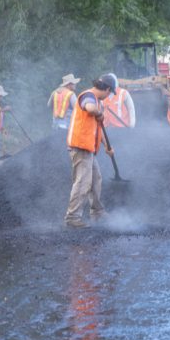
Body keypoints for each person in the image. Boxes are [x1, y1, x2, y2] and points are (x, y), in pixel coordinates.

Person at [64, 74, 116, 228]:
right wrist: (99, 113)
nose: (109, 96)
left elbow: (98, 128)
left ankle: (97, 212)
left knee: (95, 179)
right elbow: (89, 108)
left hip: (88, 149)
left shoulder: (97, 102)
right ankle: (72, 217)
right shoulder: (88, 96)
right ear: (106, 89)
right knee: (83, 182)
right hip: (80, 147)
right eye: (110, 93)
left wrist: (107, 146)